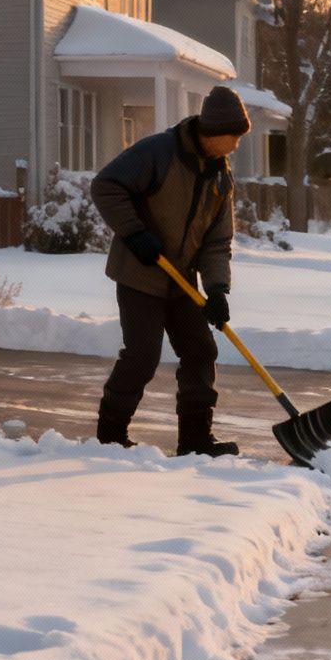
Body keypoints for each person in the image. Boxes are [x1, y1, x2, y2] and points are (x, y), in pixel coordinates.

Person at [88, 85, 249, 456]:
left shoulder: (221, 179)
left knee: (200, 351)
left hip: (181, 283)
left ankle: (195, 440)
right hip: (139, 275)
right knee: (142, 356)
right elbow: (106, 186)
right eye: (234, 136)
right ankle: (110, 437)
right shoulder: (159, 152)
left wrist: (218, 289)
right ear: (214, 131)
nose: (237, 145)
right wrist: (135, 233)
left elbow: (216, 241)